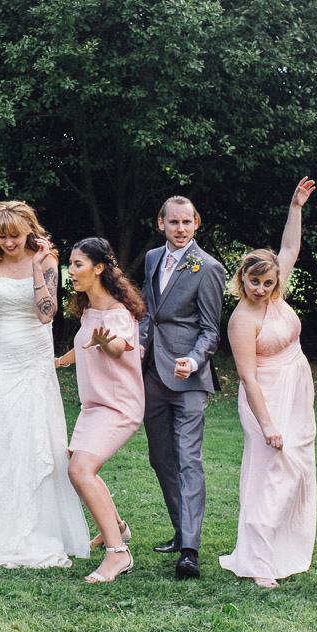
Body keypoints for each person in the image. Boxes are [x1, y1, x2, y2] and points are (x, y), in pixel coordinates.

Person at [0, 202, 90, 569]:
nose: (8, 243)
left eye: (15, 236)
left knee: (33, 436)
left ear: (29, 230)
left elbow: (47, 315)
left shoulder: (46, 260)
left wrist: (40, 269)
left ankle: (36, 527)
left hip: (33, 356)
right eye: (1, 236)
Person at [218, 177, 317, 589]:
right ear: (243, 278)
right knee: (274, 472)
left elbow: (290, 249)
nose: (261, 290)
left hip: (297, 388)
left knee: (297, 470)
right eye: (254, 282)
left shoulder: (275, 297)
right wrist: (268, 424)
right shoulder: (243, 319)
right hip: (266, 397)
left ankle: (282, 551)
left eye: (268, 283)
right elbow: (247, 377)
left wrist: (295, 206)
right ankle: (258, 561)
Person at [138, 196, 226, 579]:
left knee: (188, 458)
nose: (180, 228)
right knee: (161, 458)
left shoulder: (207, 267)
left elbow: (211, 329)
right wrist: (138, 344)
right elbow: (148, 312)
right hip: (152, 375)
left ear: (196, 222)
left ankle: (189, 550)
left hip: (188, 377)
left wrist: (194, 359)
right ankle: (179, 529)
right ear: (161, 223)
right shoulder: (152, 258)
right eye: (173, 222)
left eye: (187, 222)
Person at [55, 237, 146, 583]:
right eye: (71, 264)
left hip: (119, 405)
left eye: (78, 264)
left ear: (99, 269)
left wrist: (108, 343)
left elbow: (118, 346)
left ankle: (117, 555)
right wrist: (59, 362)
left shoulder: (117, 313)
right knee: (77, 468)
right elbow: (86, 344)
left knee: (80, 470)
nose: (72, 271)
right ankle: (118, 528)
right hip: (95, 406)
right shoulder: (90, 309)